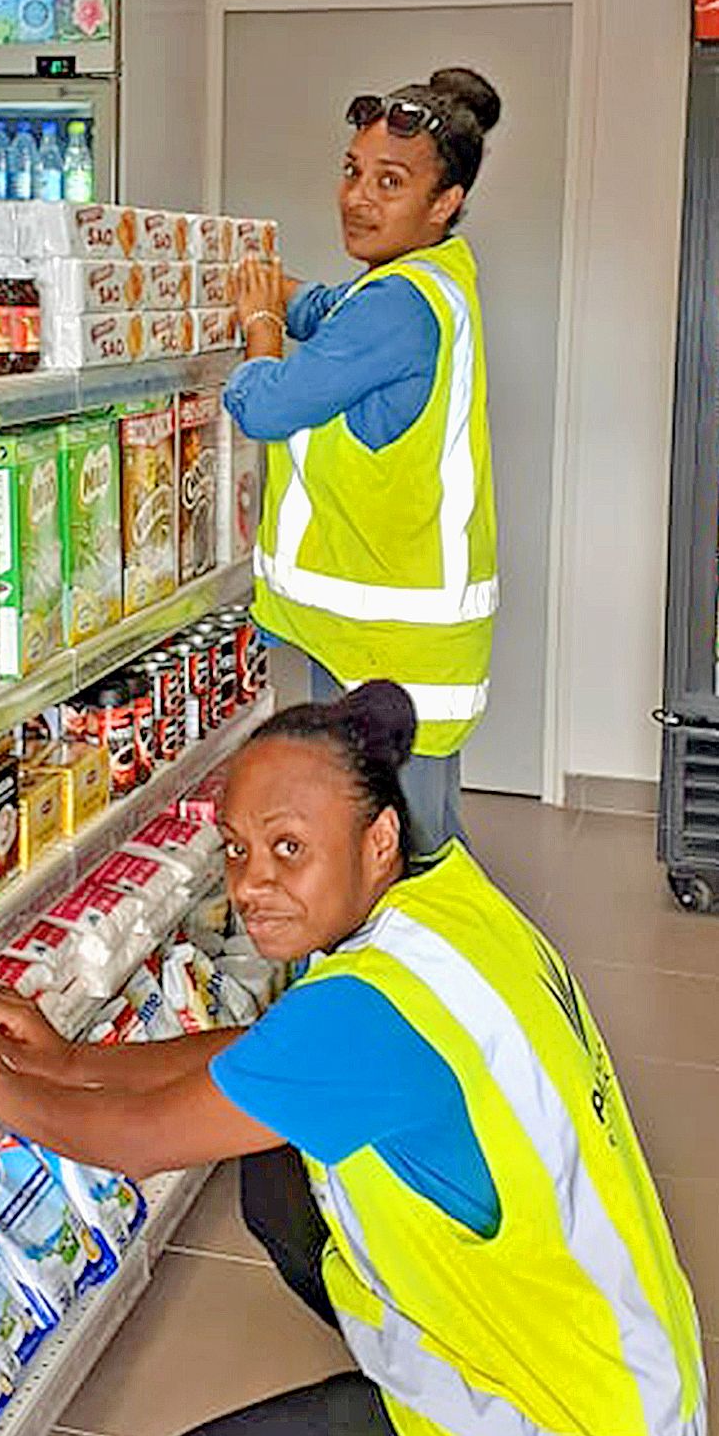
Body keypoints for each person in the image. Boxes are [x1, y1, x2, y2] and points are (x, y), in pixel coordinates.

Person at [0, 681, 705, 1436]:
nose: (252, 884)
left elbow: (144, 1146)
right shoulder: (445, 904)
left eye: (288, 848)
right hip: (621, 1380)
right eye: (236, 850)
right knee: (279, 1180)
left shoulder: (369, 1011)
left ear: (372, 839)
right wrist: (60, 1060)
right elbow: (261, 1062)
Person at [226, 66, 501, 856]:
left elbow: (266, 403)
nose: (357, 197)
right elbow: (336, 312)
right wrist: (286, 291)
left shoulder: (396, 301)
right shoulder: (427, 277)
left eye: (390, 181)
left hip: (389, 641)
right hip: (376, 633)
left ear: (443, 202)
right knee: (388, 836)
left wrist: (258, 323)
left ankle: (413, 981)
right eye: (351, 171)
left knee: (400, 857)